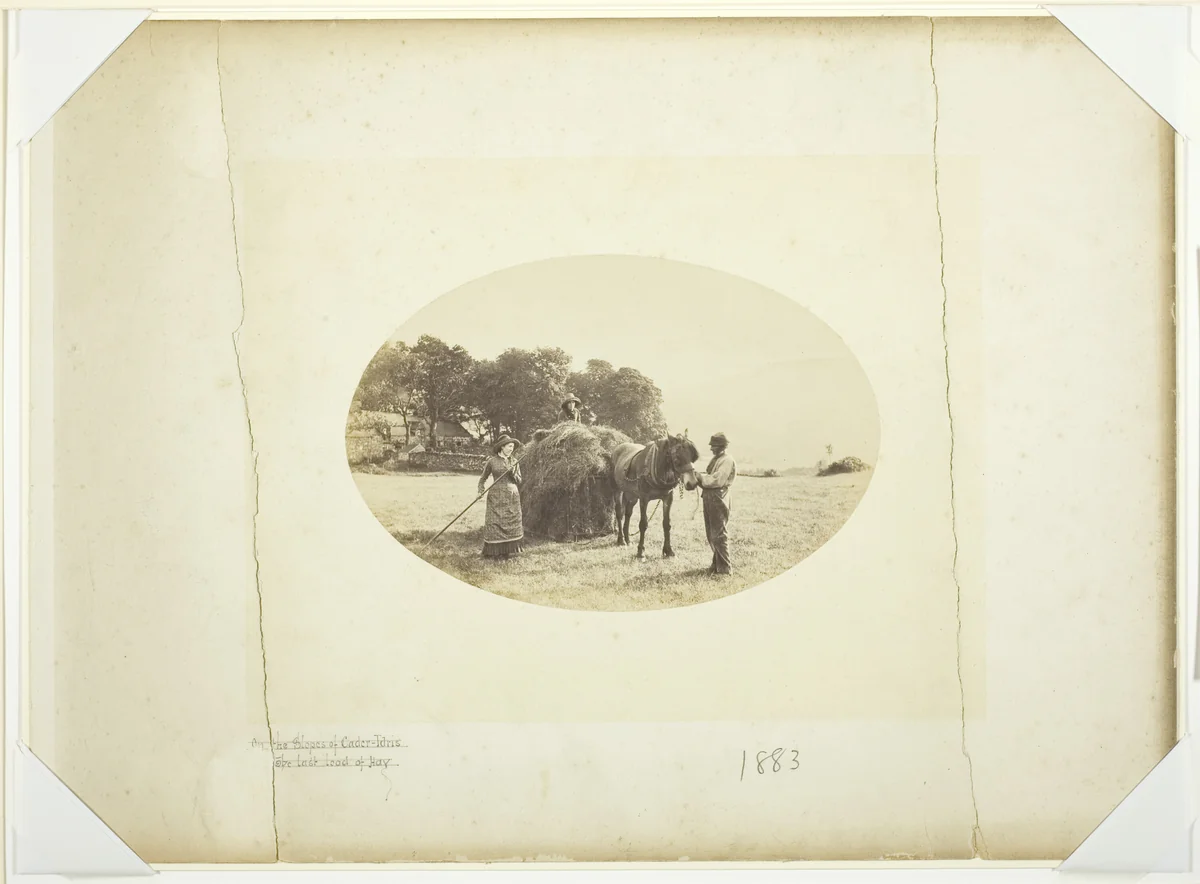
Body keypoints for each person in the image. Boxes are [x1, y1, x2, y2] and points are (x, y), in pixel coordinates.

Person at [696, 432, 737, 575]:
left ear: (721, 446)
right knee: (711, 533)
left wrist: (700, 477)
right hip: (710, 496)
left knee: (719, 534)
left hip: (718, 497)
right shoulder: (717, 459)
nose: (711, 448)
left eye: (714, 446)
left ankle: (725, 569)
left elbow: (717, 480)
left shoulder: (727, 460)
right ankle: (716, 565)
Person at [478, 435, 524, 559]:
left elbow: (519, 480)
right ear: (502, 447)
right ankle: (494, 552)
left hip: (512, 496)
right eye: (509, 446)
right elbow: (482, 478)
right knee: (494, 522)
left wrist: (512, 472)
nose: (511, 449)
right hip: (496, 496)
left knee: (510, 522)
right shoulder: (492, 461)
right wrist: (480, 491)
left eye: (512, 447)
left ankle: (509, 551)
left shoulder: (514, 461)